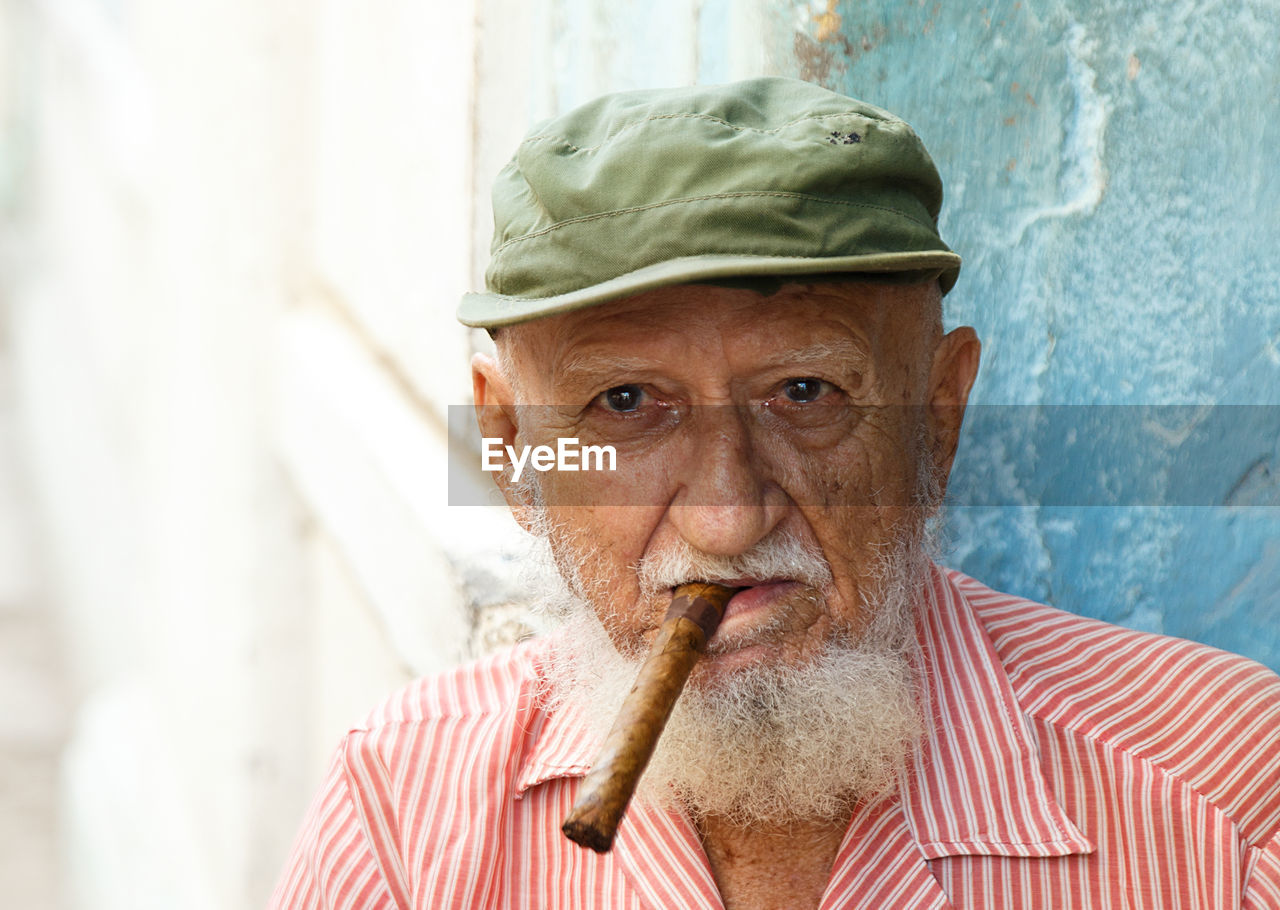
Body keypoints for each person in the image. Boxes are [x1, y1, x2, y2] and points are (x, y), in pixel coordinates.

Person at [270, 77, 1280, 909]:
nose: (726, 515)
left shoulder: (1230, 808)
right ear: (508, 446)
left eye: (804, 392)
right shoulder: (402, 815)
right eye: (624, 401)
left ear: (936, 412)